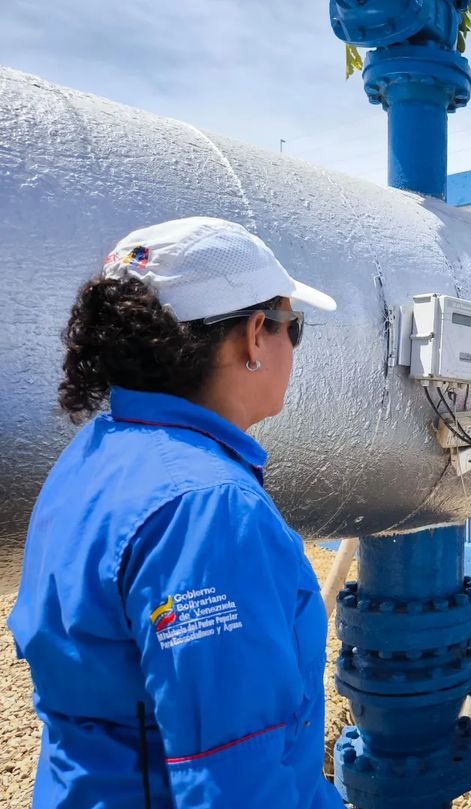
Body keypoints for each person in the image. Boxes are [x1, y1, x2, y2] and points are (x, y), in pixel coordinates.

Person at [7, 217, 344, 807]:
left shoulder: (93, 452)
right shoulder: (208, 510)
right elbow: (235, 778)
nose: (294, 345)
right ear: (253, 336)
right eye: (294, 328)